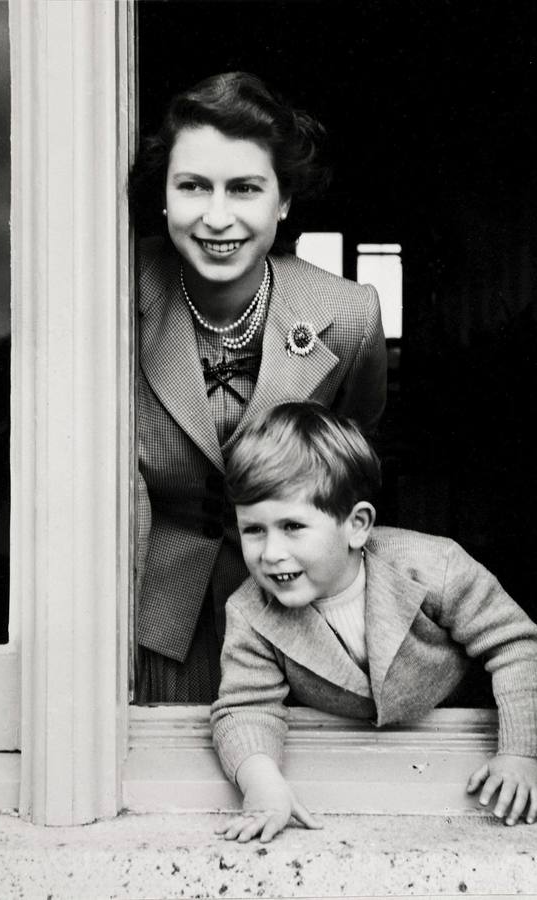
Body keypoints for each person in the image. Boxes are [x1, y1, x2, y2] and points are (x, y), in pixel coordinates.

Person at [128, 73, 387, 703]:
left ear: (284, 201)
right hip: (156, 616)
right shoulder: (120, 292)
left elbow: (350, 466)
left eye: (245, 188)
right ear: (164, 197)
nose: (219, 217)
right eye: (193, 187)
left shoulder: (349, 315)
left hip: (298, 613)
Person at [211, 401, 537, 842]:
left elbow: (515, 644)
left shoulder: (434, 566)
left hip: (458, 746)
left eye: (292, 526)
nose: (271, 552)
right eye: (254, 530)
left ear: (357, 525)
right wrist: (263, 784)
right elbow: (245, 707)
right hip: (355, 765)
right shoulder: (250, 611)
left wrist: (521, 754)